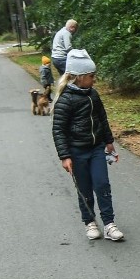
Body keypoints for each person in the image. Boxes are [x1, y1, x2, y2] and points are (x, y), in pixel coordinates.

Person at [52, 49, 124, 242]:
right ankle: (90, 222)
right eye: (91, 76)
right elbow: (58, 130)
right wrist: (64, 156)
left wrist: (108, 141)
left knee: (102, 185)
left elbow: (102, 118)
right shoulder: (65, 100)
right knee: (84, 189)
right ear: (79, 77)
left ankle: (109, 224)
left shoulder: (93, 95)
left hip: (96, 149)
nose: (94, 80)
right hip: (76, 152)